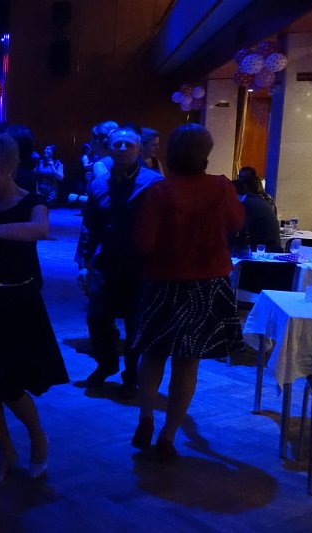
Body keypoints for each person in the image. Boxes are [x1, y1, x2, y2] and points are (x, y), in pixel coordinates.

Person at [130, 124, 244, 461]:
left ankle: (146, 415)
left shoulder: (160, 191)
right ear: (205, 154)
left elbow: (143, 242)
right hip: (207, 284)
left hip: (163, 282)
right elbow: (237, 223)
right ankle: (168, 435)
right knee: (187, 362)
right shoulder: (221, 187)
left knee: (153, 354)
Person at [0, 134, 68, 484]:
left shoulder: (32, 202)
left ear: (8, 167)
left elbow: (39, 229)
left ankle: (37, 437)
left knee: (10, 383)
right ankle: (5, 450)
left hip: (18, 302)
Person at [76, 128, 162, 398]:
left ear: (138, 149)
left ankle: (132, 372)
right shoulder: (99, 185)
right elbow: (90, 226)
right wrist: (83, 264)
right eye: (118, 144)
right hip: (106, 262)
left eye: (128, 144)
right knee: (97, 316)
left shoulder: (153, 183)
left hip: (140, 265)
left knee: (135, 322)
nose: (123, 148)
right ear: (109, 148)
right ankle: (106, 363)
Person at [235, 166, 281, 252]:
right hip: (271, 246)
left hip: (264, 250)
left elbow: (239, 228)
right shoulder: (258, 199)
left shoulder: (248, 203)